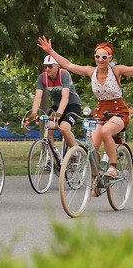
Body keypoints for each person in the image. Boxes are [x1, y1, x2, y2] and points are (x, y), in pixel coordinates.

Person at [38, 36, 133, 178]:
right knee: (91, 148)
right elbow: (69, 65)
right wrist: (51, 51)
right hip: (101, 112)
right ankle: (97, 178)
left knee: (106, 132)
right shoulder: (91, 71)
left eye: (104, 57)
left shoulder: (116, 70)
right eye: (97, 56)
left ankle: (113, 167)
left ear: (110, 58)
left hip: (118, 111)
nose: (100, 59)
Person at [25, 54, 81, 156]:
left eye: (50, 66)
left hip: (72, 105)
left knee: (64, 128)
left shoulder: (64, 74)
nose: (47, 69)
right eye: (45, 66)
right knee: (48, 129)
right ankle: (52, 154)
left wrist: (59, 114)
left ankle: (75, 153)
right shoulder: (42, 78)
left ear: (57, 66)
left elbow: (65, 97)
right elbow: (38, 97)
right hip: (57, 105)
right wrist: (34, 113)